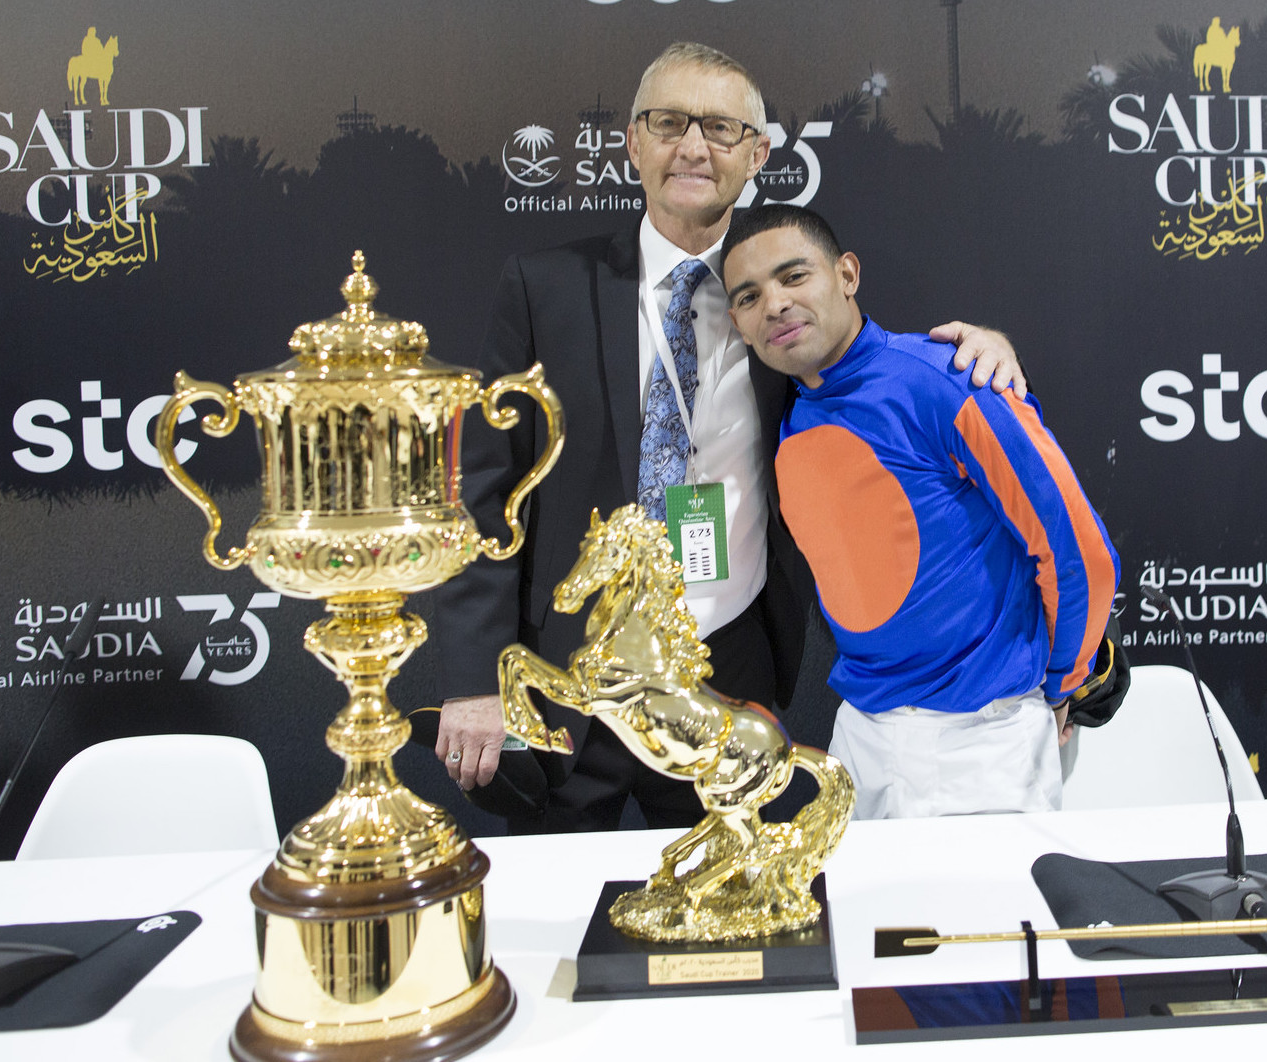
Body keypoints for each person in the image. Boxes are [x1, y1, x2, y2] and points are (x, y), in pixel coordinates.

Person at [430, 42, 1027, 832]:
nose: (692, 147)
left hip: (728, 671)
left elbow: (878, 367)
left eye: (718, 127)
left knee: (735, 929)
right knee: (561, 934)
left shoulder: (784, 292)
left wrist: (980, 350)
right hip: (570, 676)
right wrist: (475, 677)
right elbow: (483, 489)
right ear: (633, 142)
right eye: (668, 122)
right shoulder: (545, 288)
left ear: (757, 154)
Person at [721, 203, 1120, 818]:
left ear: (847, 275)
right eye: (749, 297)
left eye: (794, 276)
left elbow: (1079, 555)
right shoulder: (787, 413)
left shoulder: (953, 379)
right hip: (858, 738)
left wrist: (1065, 684)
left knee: (990, 918)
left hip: (984, 743)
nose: (773, 303)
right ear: (739, 324)